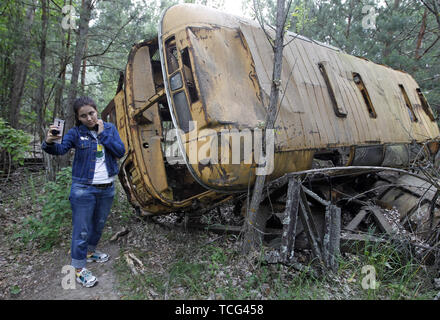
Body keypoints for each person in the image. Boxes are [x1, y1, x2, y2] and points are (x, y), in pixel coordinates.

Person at [42, 96, 125, 287]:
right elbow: (60, 149)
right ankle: (78, 269)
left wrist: (103, 134)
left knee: (99, 224)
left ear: (97, 111)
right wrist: (49, 142)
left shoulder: (110, 129)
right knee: (82, 230)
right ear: (78, 118)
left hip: (107, 187)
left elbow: (120, 151)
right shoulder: (75, 133)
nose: (89, 118)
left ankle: (89, 252)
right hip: (83, 189)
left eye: (91, 113)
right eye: (83, 116)